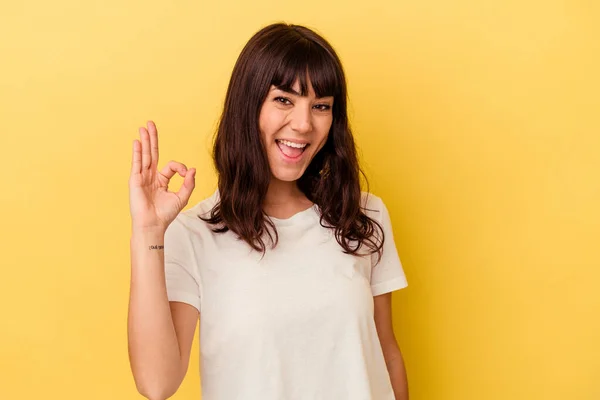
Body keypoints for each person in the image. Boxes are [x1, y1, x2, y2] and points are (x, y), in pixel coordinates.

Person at [128, 22, 409, 400]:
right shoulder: (194, 234)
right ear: (248, 105)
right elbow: (157, 383)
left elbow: (386, 353)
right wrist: (148, 232)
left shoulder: (363, 216)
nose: (304, 123)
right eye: (283, 100)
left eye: (321, 106)